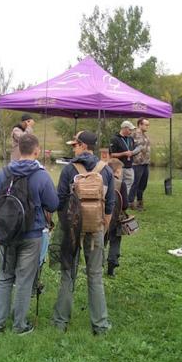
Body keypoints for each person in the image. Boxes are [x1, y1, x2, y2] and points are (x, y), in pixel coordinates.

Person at [0, 133, 58, 335]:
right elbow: (53, 204)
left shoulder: (4, 173)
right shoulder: (42, 176)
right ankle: (19, 325)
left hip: (6, 234)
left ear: (18, 150)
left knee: (5, 277)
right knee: (25, 280)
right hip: (31, 234)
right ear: (37, 151)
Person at [52, 130, 115, 334]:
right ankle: (100, 326)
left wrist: (65, 224)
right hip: (95, 229)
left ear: (84, 146)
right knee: (95, 276)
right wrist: (102, 228)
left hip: (71, 229)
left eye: (75, 145)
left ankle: (60, 323)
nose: (73, 148)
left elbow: (59, 201)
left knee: (68, 275)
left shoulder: (69, 169)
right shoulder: (106, 170)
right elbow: (110, 205)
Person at [105, 158, 129, 277]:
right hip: (117, 221)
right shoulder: (121, 184)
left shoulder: (102, 181)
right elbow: (125, 205)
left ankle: (96, 265)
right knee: (115, 243)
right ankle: (111, 268)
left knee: (101, 242)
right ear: (118, 171)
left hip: (103, 218)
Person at [109, 120, 136, 199]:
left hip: (129, 167)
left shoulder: (131, 139)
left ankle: (124, 204)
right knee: (117, 187)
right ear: (124, 128)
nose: (131, 131)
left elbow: (132, 150)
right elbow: (111, 155)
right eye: (129, 130)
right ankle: (116, 205)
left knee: (128, 187)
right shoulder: (114, 139)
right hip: (118, 168)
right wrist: (124, 153)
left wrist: (133, 153)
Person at [129, 118, 151, 209]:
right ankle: (130, 202)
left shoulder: (144, 135)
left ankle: (140, 202)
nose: (147, 127)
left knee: (143, 184)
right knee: (135, 183)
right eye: (146, 125)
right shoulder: (134, 134)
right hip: (137, 163)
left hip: (145, 162)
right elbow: (130, 147)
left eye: (148, 125)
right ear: (140, 125)